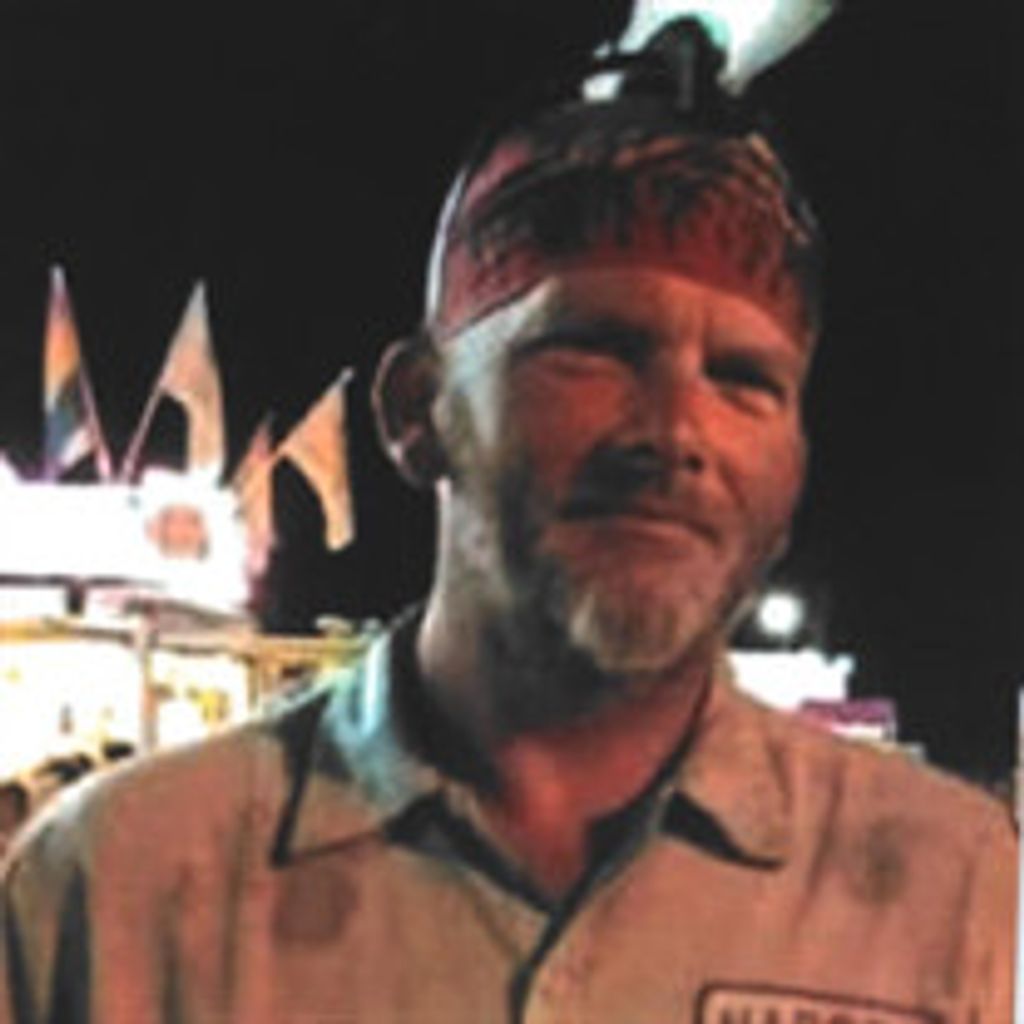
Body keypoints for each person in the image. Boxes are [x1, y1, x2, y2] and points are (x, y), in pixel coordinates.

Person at [1, 21, 1015, 1024]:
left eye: (744, 379)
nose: (674, 433)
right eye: (593, 348)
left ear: (795, 466)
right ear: (416, 410)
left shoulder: (961, 898)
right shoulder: (119, 888)